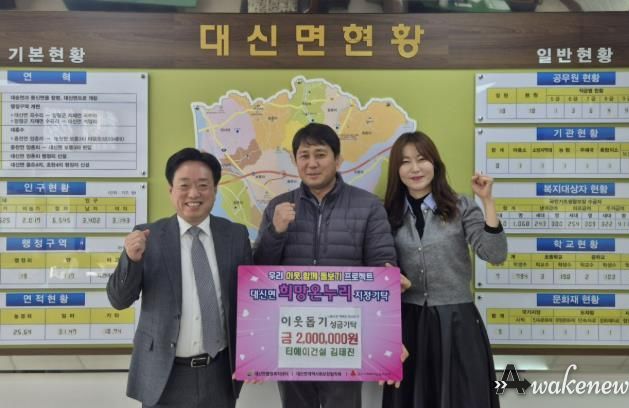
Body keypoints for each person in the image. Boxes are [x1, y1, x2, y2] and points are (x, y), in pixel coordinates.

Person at [253, 123, 402, 408]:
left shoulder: (368, 206)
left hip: (346, 334)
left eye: (320, 154)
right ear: (295, 160)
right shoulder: (278, 207)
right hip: (293, 334)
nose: (312, 163)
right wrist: (276, 231)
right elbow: (259, 275)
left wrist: (387, 338)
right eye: (304, 156)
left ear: (338, 159)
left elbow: (382, 272)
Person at [107, 147, 253, 408]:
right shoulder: (148, 236)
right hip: (164, 375)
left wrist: (255, 357)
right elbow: (119, 300)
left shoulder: (235, 235)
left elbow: (249, 303)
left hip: (219, 375)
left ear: (215, 190)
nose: (194, 194)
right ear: (171, 191)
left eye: (203, 185)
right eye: (184, 185)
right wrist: (131, 259)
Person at [382, 131, 507, 408]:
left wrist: (487, 201)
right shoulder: (387, 214)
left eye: (421, 159)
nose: (415, 168)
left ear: (435, 164)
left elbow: (495, 254)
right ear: (396, 170)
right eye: (405, 162)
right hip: (407, 325)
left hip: (458, 322)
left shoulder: (460, 206)